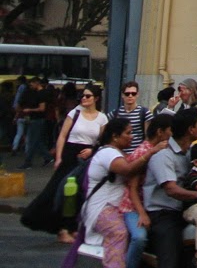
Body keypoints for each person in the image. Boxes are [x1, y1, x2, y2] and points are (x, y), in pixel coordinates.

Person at [144, 107, 197, 268]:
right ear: (191, 129)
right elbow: (171, 190)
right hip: (162, 214)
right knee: (171, 261)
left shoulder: (190, 154)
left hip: (183, 209)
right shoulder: (163, 155)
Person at [44, 83, 110, 242]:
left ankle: (73, 227)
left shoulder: (102, 118)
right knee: (65, 191)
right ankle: (62, 228)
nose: (84, 99)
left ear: (96, 99)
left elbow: (102, 141)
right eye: (82, 96)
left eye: (88, 96)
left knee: (81, 192)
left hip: (87, 157)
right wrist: (58, 157)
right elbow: (62, 136)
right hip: (70, 154)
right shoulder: (74, 113)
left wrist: (92, 151)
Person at [80, 116, 140, 268]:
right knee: (118, 232)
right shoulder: (108, 154)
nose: (132, 136)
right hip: (103, 207)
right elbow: (128, 170)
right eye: (128, 133)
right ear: (115, 136)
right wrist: (151, 152)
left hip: (115, 206)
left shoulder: (117, 153)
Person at [120, 112, 173, 268]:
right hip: (132, 205)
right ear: (160, 132)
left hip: (150, 203)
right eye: (170, 130)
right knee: (139, 238)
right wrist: (141, 213)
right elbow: (133, 187)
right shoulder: (144, 152)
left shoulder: (161, 150)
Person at [15, 73, 52, 168]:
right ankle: (48, 157)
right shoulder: (38, 93)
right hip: (35, 119)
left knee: (31, 141)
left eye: (32, 84)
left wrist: (29, 110)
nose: (31, 86)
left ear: (37, 83)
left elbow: (42, 108)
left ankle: (28, 162)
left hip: (38, 120)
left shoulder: (41, 94)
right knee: (36, 141)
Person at [111, 81, 152, 151]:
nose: (130, 96)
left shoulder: (144, 113)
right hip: (119, 154)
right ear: (122, 95)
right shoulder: (115, 113)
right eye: (127, 94)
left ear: (137, 95)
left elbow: (148, 137)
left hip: (138, 154)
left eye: (133, 93)